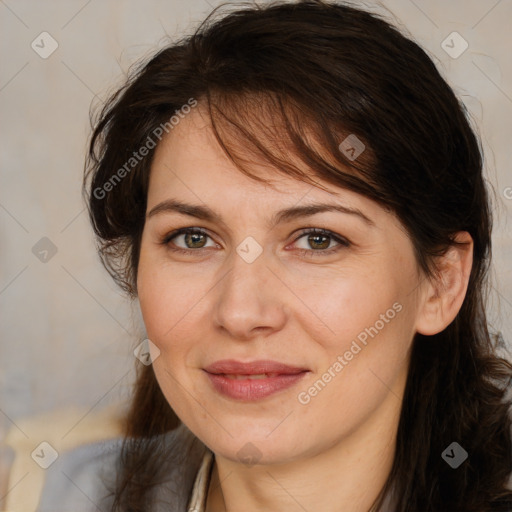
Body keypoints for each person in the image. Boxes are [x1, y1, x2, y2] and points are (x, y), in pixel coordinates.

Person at [36, 1, 512, 511]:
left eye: (317, 239)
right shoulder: (73, 493)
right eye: (193, 238)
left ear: (440, 282)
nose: (240, 313)